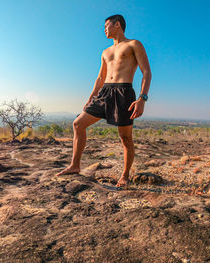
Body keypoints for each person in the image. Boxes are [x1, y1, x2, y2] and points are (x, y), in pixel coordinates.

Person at [56, 14, 152, 187]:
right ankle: (75, 165)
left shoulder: (134, 44)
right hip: (105, 92)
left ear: (117, 25)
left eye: (106, 26)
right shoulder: (105, 52)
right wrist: (91, 97)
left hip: (124, 92)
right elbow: (100, 78)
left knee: (125, 137)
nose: (104, 29)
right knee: (78, 124)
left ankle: (125, 176)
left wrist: (142, 99)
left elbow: (146, 72)